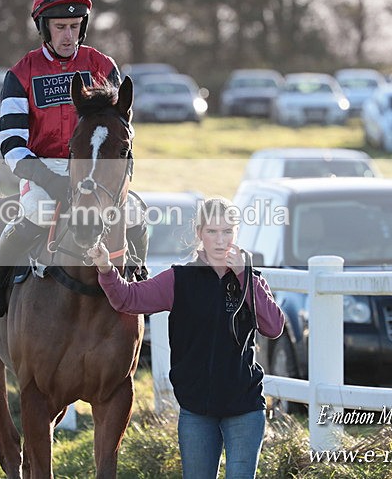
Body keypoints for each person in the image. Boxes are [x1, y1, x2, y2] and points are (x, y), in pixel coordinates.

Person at [0, 0, 148, 317]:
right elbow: (11, 145)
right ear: (44, 28)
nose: (68, 36)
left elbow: (120, 129)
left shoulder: (103, 66)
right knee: (35, 211)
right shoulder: (20, 74)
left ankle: (136, 277)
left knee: (137, 214)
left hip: (95, 168)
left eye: (74, 26)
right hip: (45, 169)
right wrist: (51, 181)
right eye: (60, 27)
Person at [88, 197, 285, 479]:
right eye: (213, 232)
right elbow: (128, 299)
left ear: (236, 233)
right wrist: (107, 270)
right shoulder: (178, 279)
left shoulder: (250, 279)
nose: (220, 240)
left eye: (227, 231)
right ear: (199, 233)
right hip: (196, 410)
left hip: (244, 408)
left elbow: (274, 326)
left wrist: (244, 276)